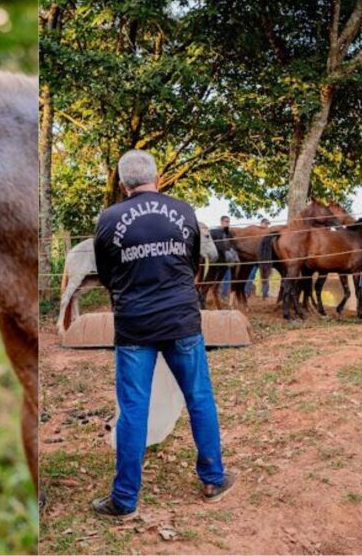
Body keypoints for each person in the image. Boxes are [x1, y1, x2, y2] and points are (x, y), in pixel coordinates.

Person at [92, 149, 236, 519]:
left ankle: (124, 500)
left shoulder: (108, 220)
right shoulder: (184, 212)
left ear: (123, 182)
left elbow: (107, 276)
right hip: (181, 322)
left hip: (135, 325)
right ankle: (213, 479)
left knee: (133, 409)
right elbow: (190, 265)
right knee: (199, 398)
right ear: (156, 177)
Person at [218, 216, 232, 298]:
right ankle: (217, 294)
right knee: (218, 277)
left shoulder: (228, 233)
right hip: (219, 259)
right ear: (221, 222)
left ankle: (224, 295)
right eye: (226, 221)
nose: (228, 223)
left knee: (227, 277)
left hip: (227, 259)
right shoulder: (217, 231)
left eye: (228, 221)